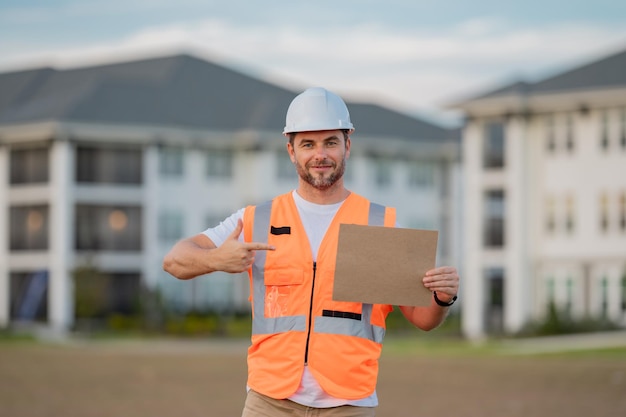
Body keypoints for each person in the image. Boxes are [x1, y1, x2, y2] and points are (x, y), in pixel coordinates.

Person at [163, 87, 460, 416]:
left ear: (348, 145)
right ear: (291, 150)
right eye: (308, 144)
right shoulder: (256, 219)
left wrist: (442, 299)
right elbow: (175, 260)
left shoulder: (381, 224)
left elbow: (422, 319)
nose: (320, 154)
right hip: (269, 400)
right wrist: (215, 259)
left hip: (349, 403)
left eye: (330, 142)